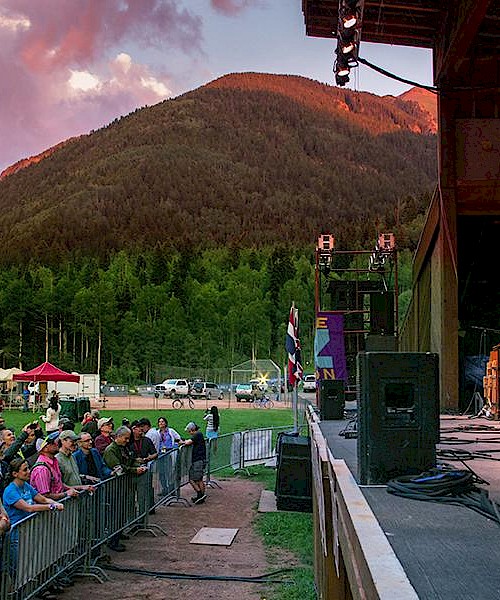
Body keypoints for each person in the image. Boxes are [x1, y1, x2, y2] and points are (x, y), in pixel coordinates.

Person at [103, 426, 147, 552]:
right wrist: (135, 470)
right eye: (126, 438)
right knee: (115, 513)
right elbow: (119, 468)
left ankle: (118, 533)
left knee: (122, 512)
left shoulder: (123, 448)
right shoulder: (111, 450)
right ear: (118, 437)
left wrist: (138, 465)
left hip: (123, 485)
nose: (127, 441)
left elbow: (130, 461)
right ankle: (113, 540)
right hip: (115, 486)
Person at [29, 432, 82, 501]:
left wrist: (76, 488)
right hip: (50, 510)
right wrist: (66, 494)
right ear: (45, 448)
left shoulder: (54, 461)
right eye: (52, 443)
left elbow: (58, 484)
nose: (56, 444)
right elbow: (44, 496)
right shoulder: (42, 469)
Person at [179, 422, 206, 505]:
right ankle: (201, 496)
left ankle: (200, 494)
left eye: (189, 431)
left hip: (198, 460)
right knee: (199, 479)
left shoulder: (197, 434)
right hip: (201, 459)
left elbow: (188, 442)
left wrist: (181, 442)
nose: (189, 433)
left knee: (192, 479)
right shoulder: (199, 435)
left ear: (192, 430)